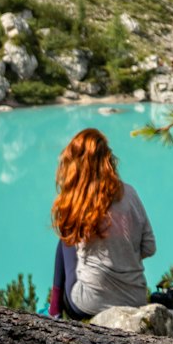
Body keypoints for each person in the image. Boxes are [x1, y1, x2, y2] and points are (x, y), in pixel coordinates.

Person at [48, 127, 155, 319]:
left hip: (89, 303)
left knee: (66, 240)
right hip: (135, 299)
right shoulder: (130, 194)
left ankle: (54, 311)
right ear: (108, 159)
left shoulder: (75, 202)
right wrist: (121, 253)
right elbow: (149, 247)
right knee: (69, 238)